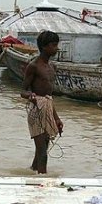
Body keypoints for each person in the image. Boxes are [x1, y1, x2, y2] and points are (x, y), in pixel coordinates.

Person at [21, 30, 63, 174]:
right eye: (53, 45)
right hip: (36, 111)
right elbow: (23, 91)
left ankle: (32, 174)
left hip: (47, 108)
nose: (57, 48)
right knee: (43, 153)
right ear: (44, 47)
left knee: (41, 151)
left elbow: (49, 98)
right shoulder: (33, 66)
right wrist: (30, 96)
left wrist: (56, 118)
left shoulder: (52, 67)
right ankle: (42, 186)